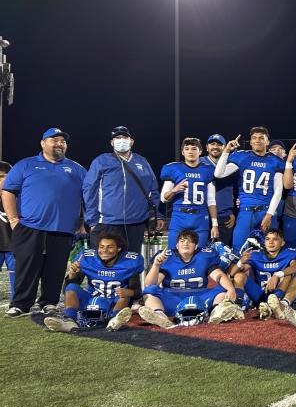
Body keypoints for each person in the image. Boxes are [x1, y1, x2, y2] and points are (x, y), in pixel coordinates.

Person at [1, 127, 86, 317]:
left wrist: (82, 221)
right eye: (54, 140)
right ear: (43, 143)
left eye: (62, 141)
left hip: (63, 228)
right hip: (30, 227)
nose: (59, 143)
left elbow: (87, 196)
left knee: (55, 268)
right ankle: (21, 304)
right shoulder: (26, 165)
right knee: (26, 266)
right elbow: (7, 191)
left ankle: (49, 302)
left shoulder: (76, 168)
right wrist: (14, 219)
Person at [43, 231, 143, 332]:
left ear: (119, 249)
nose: (105, 250)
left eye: (110, 247)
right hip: (91, 297)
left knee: (124, 294)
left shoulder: (130, 262)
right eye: (101, 247)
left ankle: (114, 319)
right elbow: (69, 289)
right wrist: (72, 275)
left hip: (114, 301)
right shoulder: (87, 258)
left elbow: (137, 292)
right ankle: (69, 320)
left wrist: (128, 292)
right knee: (71, 287)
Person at [82, 126, 160, 255]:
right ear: (112, 142)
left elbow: (153, 190)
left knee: (131, 265)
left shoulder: (142, 161)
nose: (121, 140)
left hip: (136, 224)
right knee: (105, 265)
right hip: (107, 223)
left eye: (124, 137)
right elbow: (89, 190)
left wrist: (156, 216)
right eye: (117, 138)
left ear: (132, 141)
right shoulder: (101, 161)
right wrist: (92, 220)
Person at [139, 229, 240, 328]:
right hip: (173, 297)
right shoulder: (168, 257)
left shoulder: (203, 257)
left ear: (196, 246)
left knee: (223, 288)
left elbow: (219, 276)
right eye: (182, 241)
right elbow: (150, 284)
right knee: (149, 291)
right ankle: (159, 315)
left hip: (200, 297)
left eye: (190, 241)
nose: (185, 243)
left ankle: (217, 312)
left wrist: (231, 289)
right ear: (177, 246)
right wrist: (156, 265)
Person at [214, 126, 285, 249]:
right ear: (251, 142)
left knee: (270, 250)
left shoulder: (275, 161)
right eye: (254, 138)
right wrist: (226, 152)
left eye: (261, 138)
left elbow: (278, 190)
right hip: (245, 211)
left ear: (267, 142)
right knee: (239, 248)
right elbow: (218, 174)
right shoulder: (242, 156)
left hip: (266, 210)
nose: (257, 140)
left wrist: (269, 214)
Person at [159, 137, 219, 249]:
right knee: (173, 252)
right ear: (182, 152)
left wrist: (215, 224)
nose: (190, 151)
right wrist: (174, 190)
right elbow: (164, 198)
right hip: (179, 216)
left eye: (194, 148)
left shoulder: (208, 170)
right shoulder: (173, 168)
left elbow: (211, 200)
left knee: (200, 254)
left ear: (200, 151)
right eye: (187, 149)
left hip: (200, 217)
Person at [233, 228, 296, 320]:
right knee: (239, 275)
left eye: (275, 239)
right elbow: (232, 273)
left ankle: (275, 303)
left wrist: (278, 274)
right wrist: (240, 262)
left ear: (282, 243)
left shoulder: (289, 254)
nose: (270, 242)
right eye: (268, 239)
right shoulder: (255, 255)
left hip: (279, 295)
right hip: (260, 294)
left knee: (288, 274)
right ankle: (237, 305)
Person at [201, 134, 237, 242]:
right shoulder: (199, 163)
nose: (215, 147)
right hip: (202, 215)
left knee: (223, 254)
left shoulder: (232, 165)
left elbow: (236, 190)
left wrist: (234, 212)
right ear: (206, 147)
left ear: (225, 147)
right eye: (212, 144)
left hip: (225, 216)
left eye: (219, 144)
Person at [0, 161, 14, 298]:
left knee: (16, 275)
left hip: (14, 246)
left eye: (2, 177)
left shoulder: (19, 197)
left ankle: (16, 303)